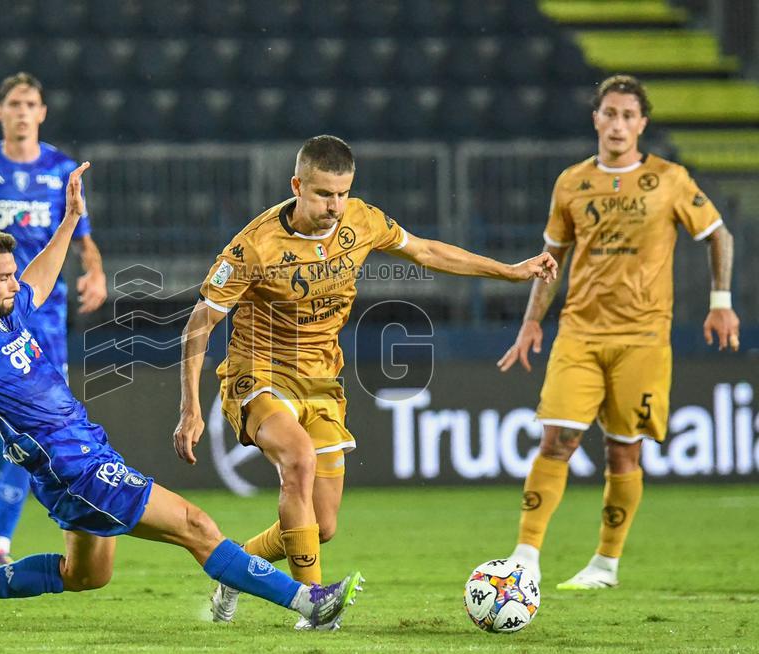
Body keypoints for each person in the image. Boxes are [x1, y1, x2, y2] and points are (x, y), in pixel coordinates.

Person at [0, 164, 363, 632]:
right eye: (2, 277)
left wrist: (68, 221)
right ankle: (308, 602)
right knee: (196, 525)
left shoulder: (10, 310)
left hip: (68, 462)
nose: (16, 283)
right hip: (75, 465)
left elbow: (40, 276)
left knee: (85, 576)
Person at [173, 135, 558, 627]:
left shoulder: (362, 220)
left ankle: (235, 570)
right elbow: (199, 324)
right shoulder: (255, 245)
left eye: (342, 193)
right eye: (323, 194)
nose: (335, 206)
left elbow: (427, 251)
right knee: (298, 459)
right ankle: (314, 605)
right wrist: (190, 409)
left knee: (322, 524)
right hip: (259, 373)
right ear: (298, 186)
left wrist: (511, 271)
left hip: (322, 381)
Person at [497, 75, 740, 590]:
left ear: (642, 124)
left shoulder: (670, 179)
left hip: (644, 337)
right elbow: (551, 260)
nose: (619, 124)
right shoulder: (571, 182)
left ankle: (604, 565)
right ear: (596, 119)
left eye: (629, 115)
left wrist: (721, 303)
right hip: (580, 333)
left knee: (623, 451)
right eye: (610, 113)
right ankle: (525, 555)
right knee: (556, 438)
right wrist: (530, 324)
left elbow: (718, 234)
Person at [0, 72, 108, 571]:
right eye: (13, 103)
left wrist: (96, 271)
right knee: (13, 418)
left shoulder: (60, 169)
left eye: (30, 103)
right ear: (0, 112)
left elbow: (82, 237)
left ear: (42, 113)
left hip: (44, 313)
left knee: (27, 420)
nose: (21, 111)